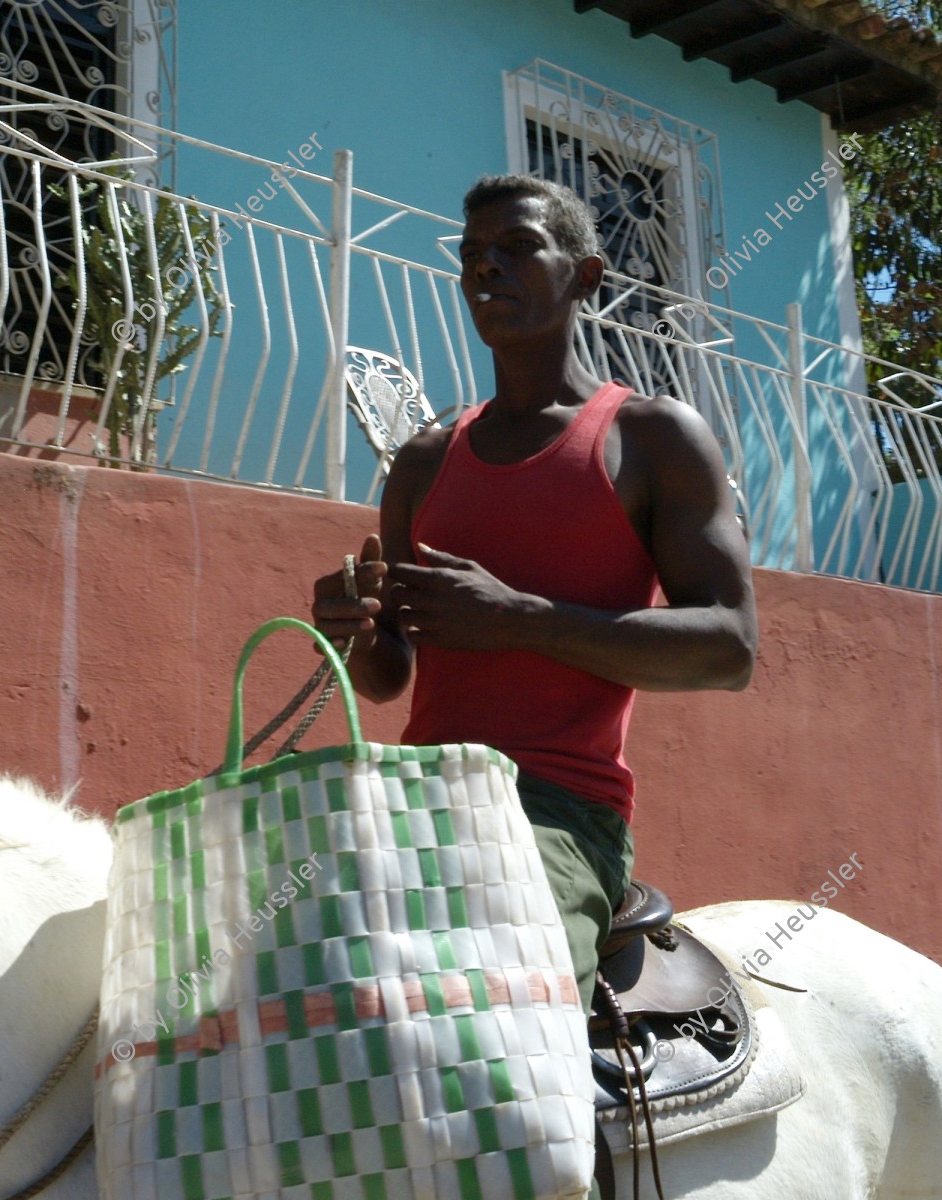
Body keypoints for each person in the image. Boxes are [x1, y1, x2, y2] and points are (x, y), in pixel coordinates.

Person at [310, 173, 757, 1018]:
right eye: (472, 256)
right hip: (413, 794)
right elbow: (387, 676)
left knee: (499, 1015)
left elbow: (730, 647)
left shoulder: (653, 438)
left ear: (586, 276)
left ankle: (570, 1154)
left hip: (556, 813)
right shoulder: (425, 460)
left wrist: (523, 618)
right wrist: (355, 628)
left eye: (517, 248)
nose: (487, 270)